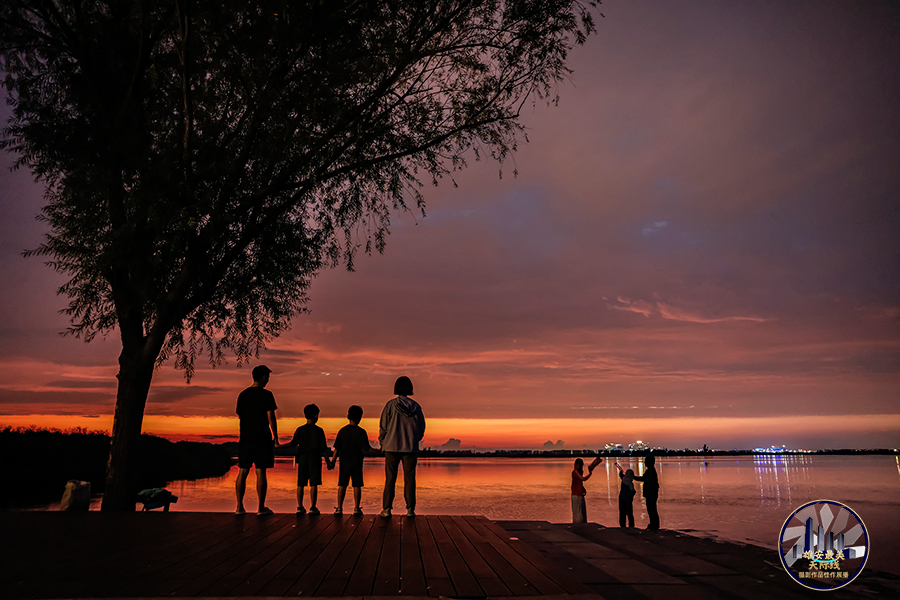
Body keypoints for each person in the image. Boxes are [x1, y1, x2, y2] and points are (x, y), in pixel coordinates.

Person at [378, 376, 426, 518]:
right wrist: (414, 439)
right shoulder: (416, 407)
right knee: (410, 479)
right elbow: (421, 427)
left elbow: (383, 426)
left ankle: (386, 509)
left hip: (391, 446)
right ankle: (410, 509)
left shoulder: (390, 405)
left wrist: (383, 443)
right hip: (410, 447)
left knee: (390, 479)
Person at [235, 365, 279, 515]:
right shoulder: (267, 395)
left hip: (246, 437)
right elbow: (271, 417)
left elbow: (240, 415)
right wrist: (276, 437)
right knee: (261, 472)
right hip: (262, 437)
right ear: (263, 377)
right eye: (267, 377)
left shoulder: (243, 395)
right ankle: (261, 508)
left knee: (243, 471)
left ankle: (239, 507)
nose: (268, 380)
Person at [282, 403, 330, 515]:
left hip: (302, 458)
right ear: (315, 416)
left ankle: (300, 506)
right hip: (315, 458)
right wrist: (328, 462)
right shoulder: (319, 430)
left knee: (301, 483)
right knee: (314, 484)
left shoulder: (300, 429)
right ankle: (313, 507)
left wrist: (280, 446)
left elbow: (293, 444)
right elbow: (323, 449)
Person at [331, 405, 374, 515]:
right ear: (360, 417)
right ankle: (356, 508)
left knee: (342, 485)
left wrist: (333, 461)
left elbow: (337, 448)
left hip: (344, 461)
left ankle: (339, 508)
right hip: (357, 461)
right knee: (357, 485)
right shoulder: (361, 432)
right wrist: (379, 452)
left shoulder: (342, 431)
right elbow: (368, 449)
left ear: (348, 416)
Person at [633, 454, 660, 529]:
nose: (645, 463)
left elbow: (643, 479)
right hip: (651, 494)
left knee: (652, 509)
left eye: (646, 461)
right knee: (652, 509)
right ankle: (654, 524)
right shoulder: (650, 470)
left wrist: (633, 477)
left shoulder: (650, 471)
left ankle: (654, 524)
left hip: (651, 494)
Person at [571, 457, 595, 523]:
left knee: (581, 511)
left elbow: (579, 482)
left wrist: (583, 488)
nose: (580, 466)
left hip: (579, 494)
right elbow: (583, 479)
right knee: (578, 512)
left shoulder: (577, 472)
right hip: (576, 494)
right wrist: (590, 474)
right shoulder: (575, 472)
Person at [616, 463, 636, 527]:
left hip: (621, 500)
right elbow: (633, 492)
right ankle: (631, 526)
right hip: (628, 501)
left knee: (622, 514)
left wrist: (621, 471)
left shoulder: (623, 479)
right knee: (630, 515)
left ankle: (622, 526)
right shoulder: (630, 484)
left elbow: (621, 475)